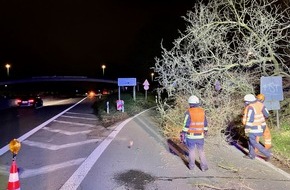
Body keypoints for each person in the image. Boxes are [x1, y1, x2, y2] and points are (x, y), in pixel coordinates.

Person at [180, 95, 209, 171]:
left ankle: (191, 166)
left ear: (190, 103)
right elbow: (205, 123)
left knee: (191, 151)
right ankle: (204, 167)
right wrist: (205, 131)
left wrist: (183, 133)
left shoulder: (189, 112)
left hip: (191, 136)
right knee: (201, 151)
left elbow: (186, 124)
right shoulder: (202, 111)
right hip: (200, 136)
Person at [242, 94, 272, 161]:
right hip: (261, 126)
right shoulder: (260, 104)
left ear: (248, 101)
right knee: (251, 141)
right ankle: (251, 155)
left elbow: (250, 119)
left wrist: (247, 129)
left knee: (253, 142)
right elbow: (267, 114)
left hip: (254, 127)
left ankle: (267, 154)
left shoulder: (250, 107)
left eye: (245, 101)